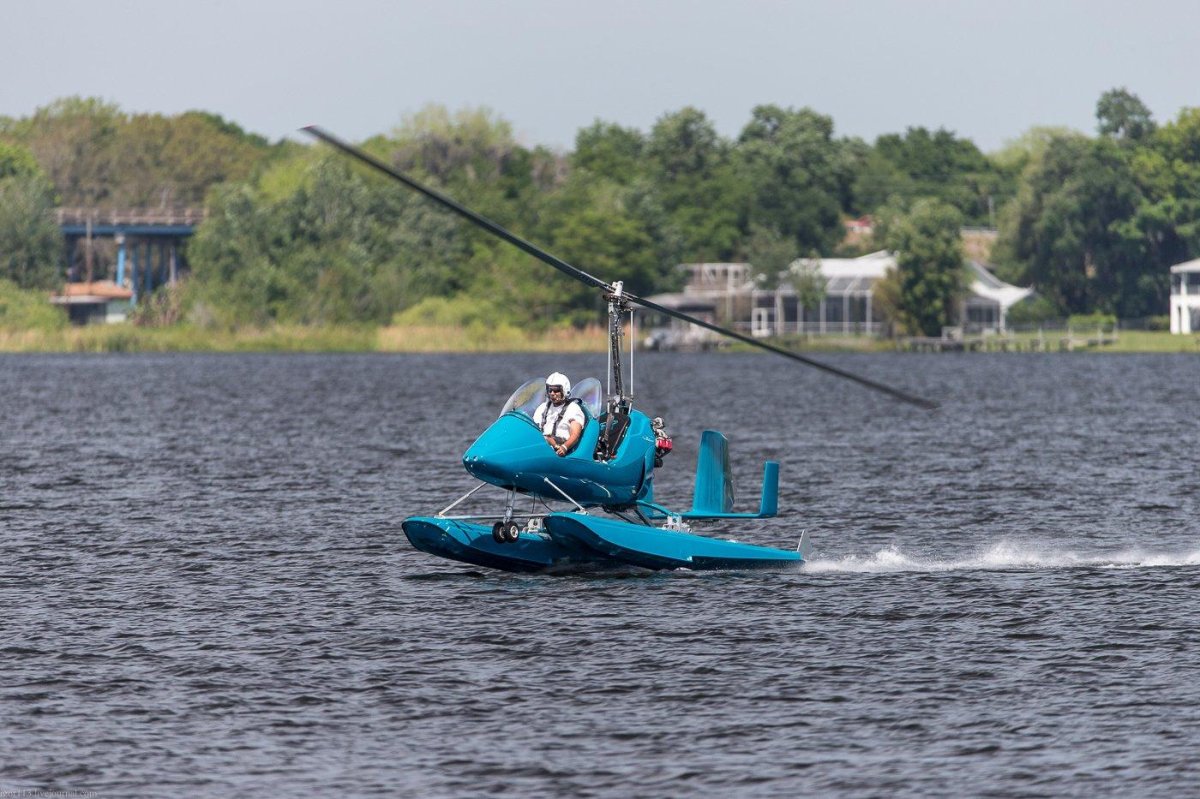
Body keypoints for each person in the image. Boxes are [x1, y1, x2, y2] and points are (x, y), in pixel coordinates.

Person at [533, 372, 585, 457]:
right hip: (541, 446)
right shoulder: (542, 407)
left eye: (556, 390)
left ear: (564, 391)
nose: (552, 393)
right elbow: (533, 427)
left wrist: (565, 447)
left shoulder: (573, 409)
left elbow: (575, 434)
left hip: (560, 451)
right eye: (550, 390)